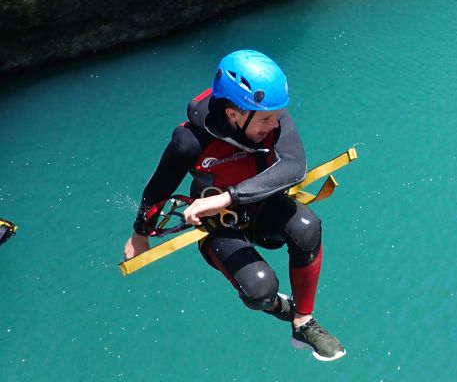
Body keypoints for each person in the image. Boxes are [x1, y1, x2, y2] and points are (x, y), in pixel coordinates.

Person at [123, 50, 346, 361]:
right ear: (233, 114)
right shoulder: (190, 142)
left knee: (307, 229)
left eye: (277, 115)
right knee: (259, 291)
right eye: (266, 119)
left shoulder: (272, 116)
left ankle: (303, 323)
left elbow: (294, 167)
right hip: (218, 224)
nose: (274, 124)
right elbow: (160, 187)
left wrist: (227, 197)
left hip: (259, 203)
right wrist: (140, 233)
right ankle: (278, 306)